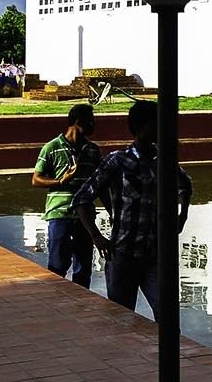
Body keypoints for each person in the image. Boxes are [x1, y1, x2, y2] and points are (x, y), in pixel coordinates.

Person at [72, 100, 192, 320]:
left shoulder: (163, 160)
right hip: (123, 254)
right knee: (121, 318)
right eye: (155, 123)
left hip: (156, 255)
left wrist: (182, 216)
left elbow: (185, 184)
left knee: (168, 315)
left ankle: (165, 354)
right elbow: (81, 198)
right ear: (140, 128)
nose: (161, 128)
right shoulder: (118, 161)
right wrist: (96, 237)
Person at [32, 103, 102, 287]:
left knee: (83, 269)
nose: (94, 126)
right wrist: (61, 181)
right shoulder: (52, 147)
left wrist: (113, 211)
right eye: (91, 122)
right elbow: (36, 179)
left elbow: (101, 185)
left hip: (85, 216)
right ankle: (56, 307)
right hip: (59, 214)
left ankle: (80, 309)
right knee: (57, 267)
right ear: (78, 122)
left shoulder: (93, 150)